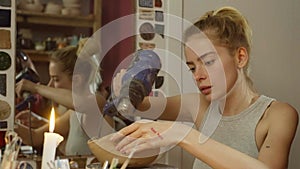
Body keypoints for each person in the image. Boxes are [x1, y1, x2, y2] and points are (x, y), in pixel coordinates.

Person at [109, 6, 298, 169]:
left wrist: (183, 135)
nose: (198, 75)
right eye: (192, 67)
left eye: (208, 62)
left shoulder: (277, 115)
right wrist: (126, 91)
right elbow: (143, 106)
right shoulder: (199, 105)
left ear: (240, 57)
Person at [15, 45, 114, 155]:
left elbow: (78, 103)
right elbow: (35, 137)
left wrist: (36, 88)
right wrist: (9, 122)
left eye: (55, 79)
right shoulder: (73, 113)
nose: (50, 85)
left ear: (77, 80)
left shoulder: (98, 102)